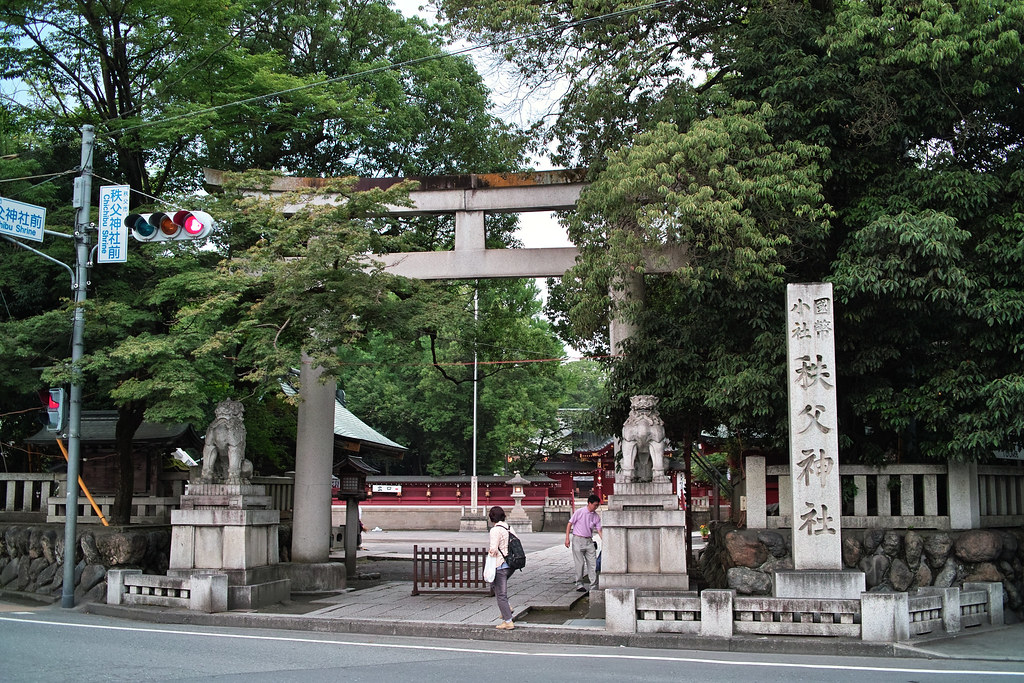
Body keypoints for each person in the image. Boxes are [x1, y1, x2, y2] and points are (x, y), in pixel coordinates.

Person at [565, 493, 602, 593]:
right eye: (595, 505)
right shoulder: (579, 512)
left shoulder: (596, 516)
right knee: (579, 563)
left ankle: (593, 584)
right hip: (578, 539)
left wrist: (604, 540)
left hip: (589, 541)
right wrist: (567, 538)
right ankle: (579, 583)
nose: (596, 507)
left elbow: (599, 530)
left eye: (597, 505)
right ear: (589, 503)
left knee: (593, 563)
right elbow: (570, 524)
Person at [487, 505, 515, 630]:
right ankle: (507, 609)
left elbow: (493, 548)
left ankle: (508, 620)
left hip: (500, 564)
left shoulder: (495, 530)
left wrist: (489, 557)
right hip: (511, 564)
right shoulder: (509, 528)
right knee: (495, 585)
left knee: (500, 594)